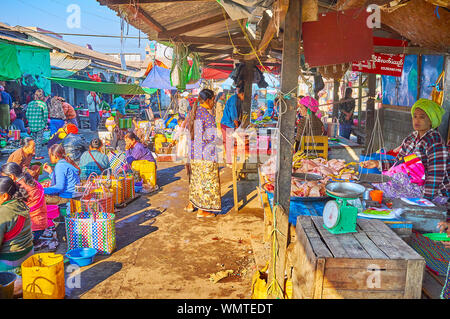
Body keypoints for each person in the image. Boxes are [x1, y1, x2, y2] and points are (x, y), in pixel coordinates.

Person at [361, 99, 449, 201]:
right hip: (414, 185)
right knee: (375, 188)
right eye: (415, 116)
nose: (417, 120)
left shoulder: (435, 142)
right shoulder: (411, 138)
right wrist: (377, 163)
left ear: (431, 120)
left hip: (434, 193)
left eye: (422, 117)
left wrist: (425, 201)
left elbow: (436, 176)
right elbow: (398, 163)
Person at [184, 89, 221, 218]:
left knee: (196, 181)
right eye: (213, 100)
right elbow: (211, 137)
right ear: (208, 100)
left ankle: (192, 204)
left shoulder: (192, 112)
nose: (214, 102)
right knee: (207, 182)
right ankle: (202, 210)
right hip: (205, 155)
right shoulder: (207, 115)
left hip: (194, 153)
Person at [1, 163, 49, 249]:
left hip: (31, 231)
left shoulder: (19, 187)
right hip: (41, 226)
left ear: (11, 176)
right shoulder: (30, 180)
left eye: (4, 177)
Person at [0, 176, 33, 274]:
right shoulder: (19, 203)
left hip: (12, 260)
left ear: (5, 196)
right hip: (28, 253)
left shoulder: (3, 212)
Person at [221, 85, 244, 164]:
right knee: (228, 142)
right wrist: (237, 126)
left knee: (230, 142)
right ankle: (229, 160)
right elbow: (233, 115)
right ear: (242, 94)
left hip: (230, 124)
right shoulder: (234, 100)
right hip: (227, 123)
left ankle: (230, 158)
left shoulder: (237, 99)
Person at [26, 89, 48, 160]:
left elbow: (27, 115)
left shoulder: (30, 104)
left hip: (32, 125)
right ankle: (37, 155)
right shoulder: (43, 104)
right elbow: (45, 116)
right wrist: (45, 124)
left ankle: (33, 153)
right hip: (40, 125)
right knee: (39, 141)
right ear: (42, 96)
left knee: (34, 140)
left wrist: (30, 122)